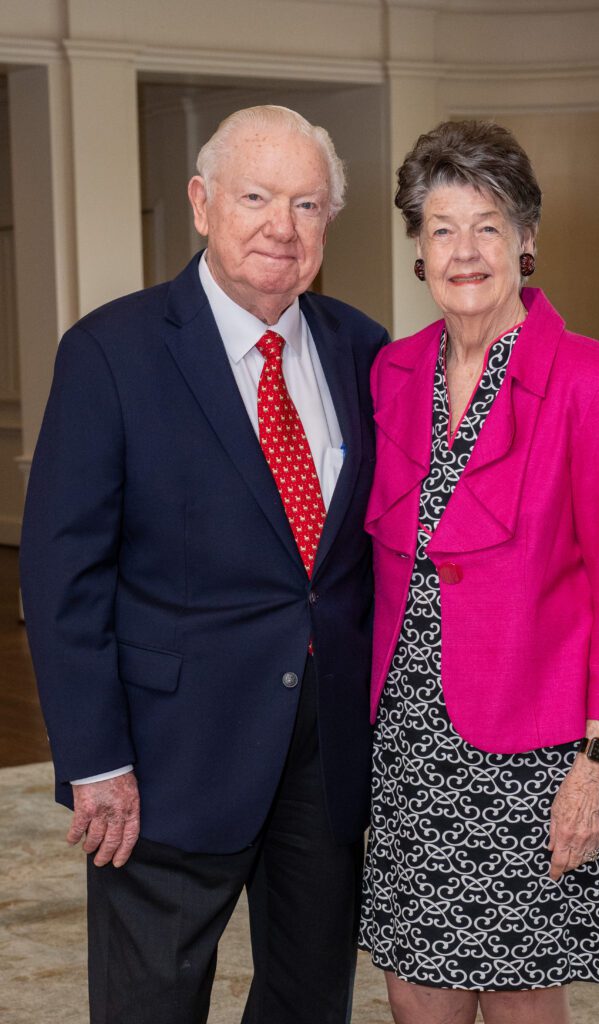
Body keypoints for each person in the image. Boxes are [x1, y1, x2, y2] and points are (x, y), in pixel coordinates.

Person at [20, 104, 389, 1024]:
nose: (281, 226)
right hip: (167, 751)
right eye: (256, 196)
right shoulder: (111, 351)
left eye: (307, 204)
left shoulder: (362, 350)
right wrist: (96, 757)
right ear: (200, 203)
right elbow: (63, 577)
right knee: (151, 1001)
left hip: (326, 750)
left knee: (310, 999)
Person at [358, 119, 599, 1024]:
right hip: (408, 736)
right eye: (442, 227)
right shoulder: (391, 372)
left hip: (533, 748)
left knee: (521, 994)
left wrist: (596, 765)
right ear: (416, 245)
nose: (464, 251)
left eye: (487, 225)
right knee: (414, 983)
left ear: (526, 239)